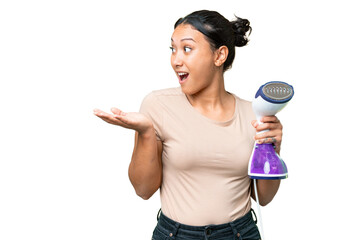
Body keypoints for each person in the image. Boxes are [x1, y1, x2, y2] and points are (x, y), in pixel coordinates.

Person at [94, 10, 283, 240]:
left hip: (239, 233)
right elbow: (143, 190)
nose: (176, 60)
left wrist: (272, 149)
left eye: (187, 48)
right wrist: (145, 133)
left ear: (219, 55)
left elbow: (263, 197)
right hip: (176, 234)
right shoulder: (158, 105)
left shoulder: (252, 114)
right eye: (173, 49)